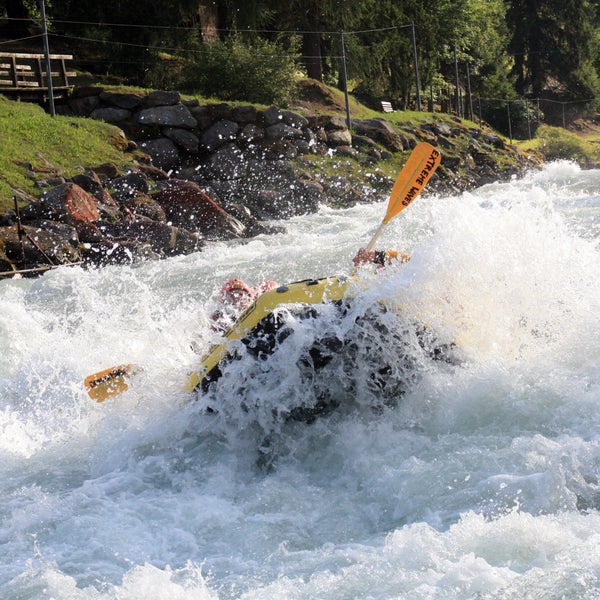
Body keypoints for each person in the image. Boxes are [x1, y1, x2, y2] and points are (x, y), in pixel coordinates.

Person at [210, 278, 278, 332]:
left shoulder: (258, 305)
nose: (237, 299)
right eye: (231, 296)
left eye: (241, 294)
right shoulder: (219, 319)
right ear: (224, 301)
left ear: (249, 297)